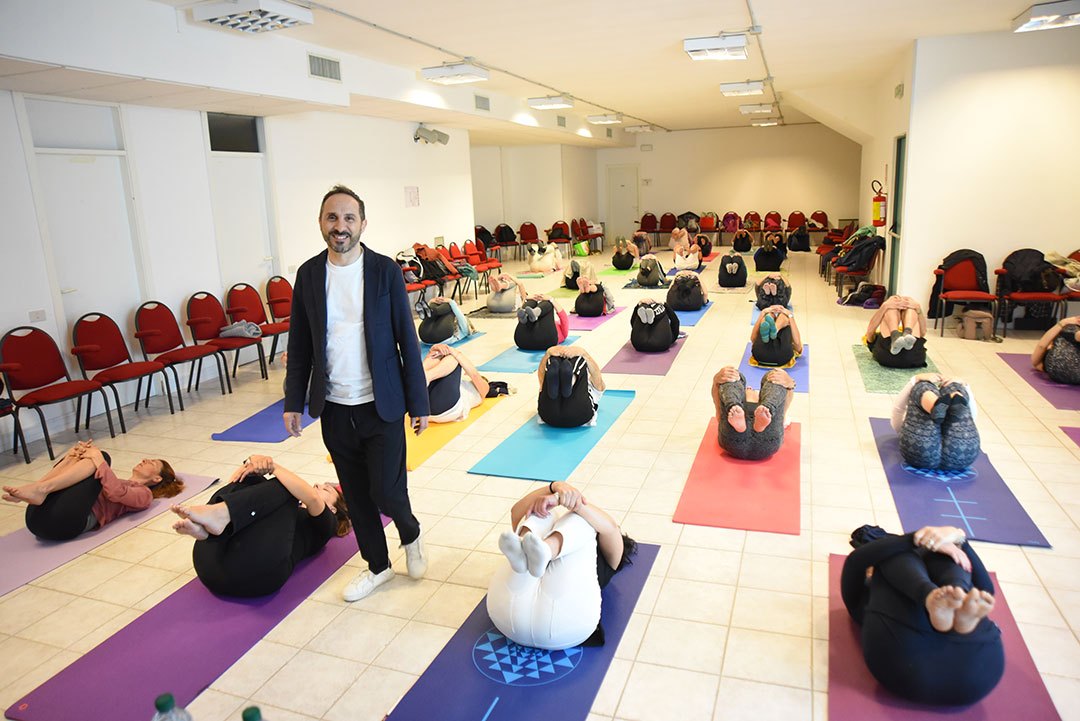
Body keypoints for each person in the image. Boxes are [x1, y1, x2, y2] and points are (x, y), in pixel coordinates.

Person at [284, 185, 430, 603]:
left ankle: (411, 533)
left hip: (381, 404)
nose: (340, 226)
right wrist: (293, 401)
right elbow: (300, 343)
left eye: (349, 218)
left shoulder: (385, 271)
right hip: (334, 407)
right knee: (357, 494)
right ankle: (378, 566)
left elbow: (406, 339)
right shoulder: (309, 275)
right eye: (332, 217)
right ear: (321, 223)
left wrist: (419, 403)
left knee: (387, 491)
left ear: (363, 224)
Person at [840, 524, 1003, 705]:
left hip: (905, 668)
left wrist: (951, 540)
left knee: (935, 557)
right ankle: (940, 593)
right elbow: (986, 589)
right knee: (898, 556)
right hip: (980, 670)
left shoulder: (865, 598)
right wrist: (954, 538)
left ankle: (940, 594)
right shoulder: (872, 589)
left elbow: (855, 562)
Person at [171, 455, 350, 597]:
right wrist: (252, 463)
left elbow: (311, 497)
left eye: (326, 489)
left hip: (257, 576)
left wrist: (271, 466)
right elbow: (239, 484)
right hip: (209, 564)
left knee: (286, 488)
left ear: (333, 508)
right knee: (251, 479)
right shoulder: (278, 507)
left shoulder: (327, 525)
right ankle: (212, 524)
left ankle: (217, 520)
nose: (317, 484)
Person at [487, 481, 638, 650]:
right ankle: (534, 550)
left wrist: (562, 498)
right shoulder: (536, 542)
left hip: (516, 619)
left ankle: (547, 550)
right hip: (529, 618)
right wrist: (555, 488)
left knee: (579, 519)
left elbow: (610, 528)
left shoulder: (607, 558)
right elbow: (517, 511)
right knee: (544, 511)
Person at [3, 440, 181, 541]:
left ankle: (41, 488)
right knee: (82, 461)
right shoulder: (116, 480)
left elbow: (115, 492)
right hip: (36, 518)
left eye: (152, 463)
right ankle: (37, 488)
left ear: (157, 479)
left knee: (101, 458)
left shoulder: (145, 495)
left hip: (65, 524)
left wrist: (97, 458)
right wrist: (74, 455)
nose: (145, 460)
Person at [892, 373, 980, 471]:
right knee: (954, 386)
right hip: (964, 452)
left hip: (919, 450)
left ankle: (934, 405)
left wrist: (915, 380)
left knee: (922, 386)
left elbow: (898, 410)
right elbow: (971, 415)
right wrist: (965, 386)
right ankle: (955, 395)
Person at [711, 366, 795, 460]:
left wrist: (716, 381)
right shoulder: (764, 412)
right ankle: (769, 406)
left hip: (731, 440)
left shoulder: (733, 413)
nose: (750, 388)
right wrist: (790, 384)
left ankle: (733, 404)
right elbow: (784, 409)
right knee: (774, 378)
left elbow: (718, 408)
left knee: (732, 378)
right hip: (769, 441)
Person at [536, 346, 606, 427]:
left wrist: (548, 354)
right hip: (579, 415)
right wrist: (584, 354)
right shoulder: (594, 387)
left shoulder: (590, 383)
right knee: (580, 360)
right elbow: (598, 379)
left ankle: (570, 379)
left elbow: (542, 381)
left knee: (555, 359)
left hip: (548, 414)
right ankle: (571, 379)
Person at [424, 343, 489, 423]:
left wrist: (452, 350)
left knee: (453, 358)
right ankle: (422, 376)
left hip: (446, 409)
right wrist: (434, 350)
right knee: (439, 355)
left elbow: (475, 375)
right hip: (427, 410)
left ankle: (423, 377)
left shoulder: (484, 390)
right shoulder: (461, 384)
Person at [865, 295, 928, 369]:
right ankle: (906, 333)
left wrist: (884, 307)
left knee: (891, 308)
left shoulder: (878, 336)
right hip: (914, 356)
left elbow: (870, 331)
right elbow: (923, 332)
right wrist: (918, 309)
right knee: (911, 308)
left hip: (886, 356)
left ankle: (896, 335)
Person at [1031, 315, 1080, 385]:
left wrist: (1062, 322)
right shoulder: (1068, 332)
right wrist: (1063, 323)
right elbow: (1041, 346)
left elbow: (1041, 346)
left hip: (1056, 375)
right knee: (1069, 329)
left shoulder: (1043, 364)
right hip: (1073, 373)